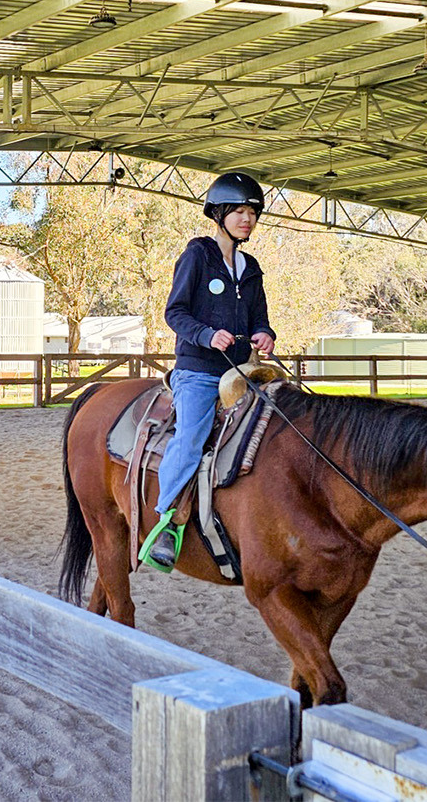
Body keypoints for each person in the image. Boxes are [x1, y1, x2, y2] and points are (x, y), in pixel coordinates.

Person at [139, 172, 275, 572]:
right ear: (219, 214)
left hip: (244, 370)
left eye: (252, 212)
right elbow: (174, 312)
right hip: (198, 371)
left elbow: (260, 318)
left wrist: (264, 334)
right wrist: (205, 334)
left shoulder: (251, 268)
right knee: (193, 435)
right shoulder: (197, 255)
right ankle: (165, 522)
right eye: (238, 211)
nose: (247, 219)